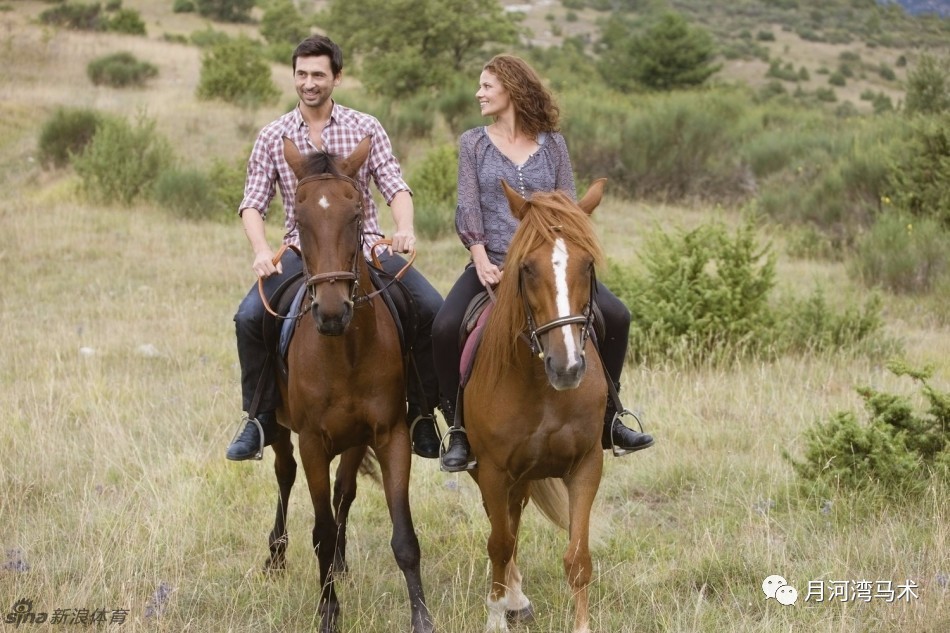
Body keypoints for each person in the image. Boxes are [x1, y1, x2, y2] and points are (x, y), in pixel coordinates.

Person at [432, 54, 654, 472]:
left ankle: (612, 417)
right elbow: (468, 207)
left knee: (617, 316)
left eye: (486, 86)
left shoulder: (553, 144)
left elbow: (568, 206)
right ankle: (458, 428)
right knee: (444, 328)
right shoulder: (473, 143)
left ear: (511, 89)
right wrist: (479, 259)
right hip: (495, 263)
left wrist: (565, 255)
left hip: (551, 266)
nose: (478, 93)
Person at [226, 35, 443, 461]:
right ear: (293, 76)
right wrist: (259, 248)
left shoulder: (366, 127)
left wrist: (404, 226)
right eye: (302, 74)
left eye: (318, 74)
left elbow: (394, 184)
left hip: (367, 247)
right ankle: (259, 417)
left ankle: (420, 414)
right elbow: (253, 202)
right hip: (298, 249)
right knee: (249, 317)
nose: (309, 83)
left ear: (336, 77)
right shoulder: (273, 136)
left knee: (431, 308)